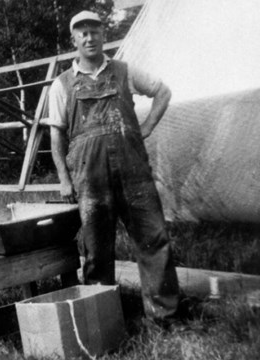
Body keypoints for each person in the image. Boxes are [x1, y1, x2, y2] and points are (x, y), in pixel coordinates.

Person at [48, 11, 180, 323]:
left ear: (103, 35)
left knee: (154, 239)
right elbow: (56, 136)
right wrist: (64, 180)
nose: (89, 38)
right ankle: (101, 318)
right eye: (82, 33)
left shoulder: (125, 71)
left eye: (94, 31)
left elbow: (163, 92)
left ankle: (165, 316)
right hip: (90, 180)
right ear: (74, 40)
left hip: (135, 175)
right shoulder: (62, 85)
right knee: (96, 251)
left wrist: (146, 126)